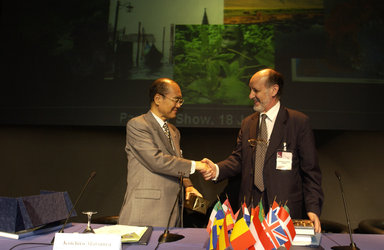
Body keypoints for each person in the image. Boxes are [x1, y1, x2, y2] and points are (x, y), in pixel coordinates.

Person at [202, 69, 324, 233]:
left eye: (256, 90)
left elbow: (311, 172)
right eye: (250, 90)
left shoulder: (298, 123)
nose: (251, 95)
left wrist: (313, 208)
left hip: (283, 213)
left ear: (274, 90)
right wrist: (216, 169)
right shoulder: (248, 123)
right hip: (249, 212)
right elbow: (238, 159)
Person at [118, 78, 210, 227]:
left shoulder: (174, 131)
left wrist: (188, 185)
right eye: (176, 100)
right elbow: (157, 161)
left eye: (181, 101)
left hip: (173, 210)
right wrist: (197, 165)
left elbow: (176, 162)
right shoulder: (138, 125)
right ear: (158, 99)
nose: (179, 105)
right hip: (147, 210)